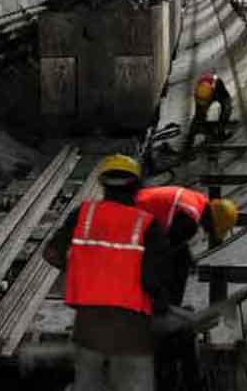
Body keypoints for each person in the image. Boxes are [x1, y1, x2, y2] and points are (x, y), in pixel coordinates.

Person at [43, 154, 173, 391]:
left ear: (103, 184)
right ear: (136, 187)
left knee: (87, 383)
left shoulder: (83, 214)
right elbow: (152, 278)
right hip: (130, 326)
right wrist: (162, 305)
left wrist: (82, 271)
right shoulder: (147, 224)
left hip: (88, 323)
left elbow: (51, 253)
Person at [135, 185, 239, 390]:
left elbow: (173, 239)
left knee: (179, 261)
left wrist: (186, 258)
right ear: (213, 221)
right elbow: (162, 251)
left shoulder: (197, 201)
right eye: (213, 230)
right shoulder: (190, 221)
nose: (209, 233)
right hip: (128, 222)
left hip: (134, 211)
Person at [183, 71, 233, 156]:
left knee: (227, 108)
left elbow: (226, 101)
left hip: (216, 91)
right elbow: (198, 116)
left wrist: (219, 129)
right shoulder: (199, 92)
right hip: (205, 94)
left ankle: (221, 132)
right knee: (198, 117)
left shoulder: (218, 87)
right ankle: (189, 140)